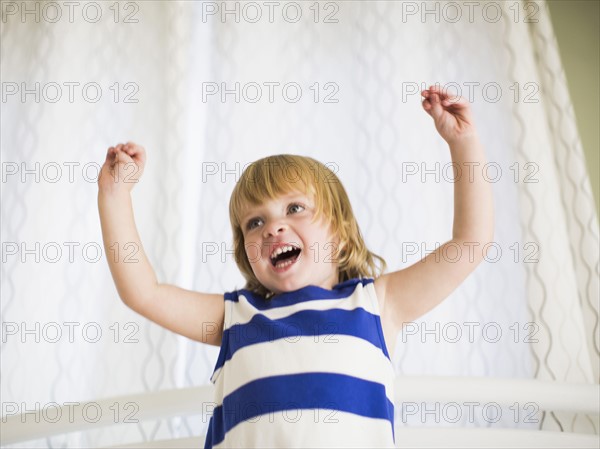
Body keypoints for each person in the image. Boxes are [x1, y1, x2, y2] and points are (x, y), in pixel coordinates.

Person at [97, 85, 494, 448]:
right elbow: (143, 292)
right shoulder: (235, 316)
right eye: (255, 222)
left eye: (294, 208)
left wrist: (464, 143)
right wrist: (115, 196)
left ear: (338, 231)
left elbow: (469, 244)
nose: (273, 227)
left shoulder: (376, 305)